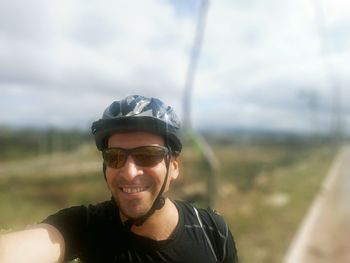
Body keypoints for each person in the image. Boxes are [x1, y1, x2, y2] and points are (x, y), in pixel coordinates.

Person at [0, 95, 238, 262]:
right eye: (114, 157)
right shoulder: (87, 227)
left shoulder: (212, 231)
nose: (129, 172)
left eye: (147, 155)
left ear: (174, 166)